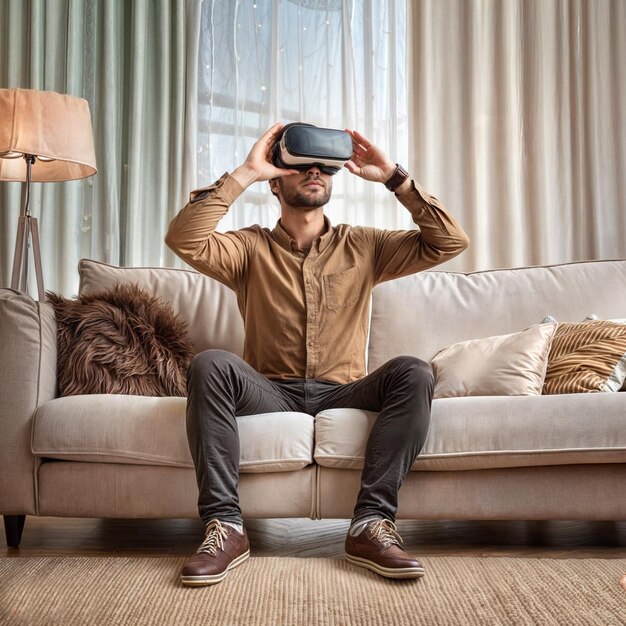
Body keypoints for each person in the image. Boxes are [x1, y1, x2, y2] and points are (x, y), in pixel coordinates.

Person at [165, 122, 469, 586]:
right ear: (275, 180)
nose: (314, 172)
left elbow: (450, 241)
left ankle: (370, 524)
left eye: (324, 166)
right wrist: (245, 171)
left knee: (414, 371)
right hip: (270, 392)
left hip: (343, 390)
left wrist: (394, 177)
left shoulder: (365, 246)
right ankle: (225, 527)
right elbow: (184, 238)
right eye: (301, 165)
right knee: (211, 363)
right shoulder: (248, 248)